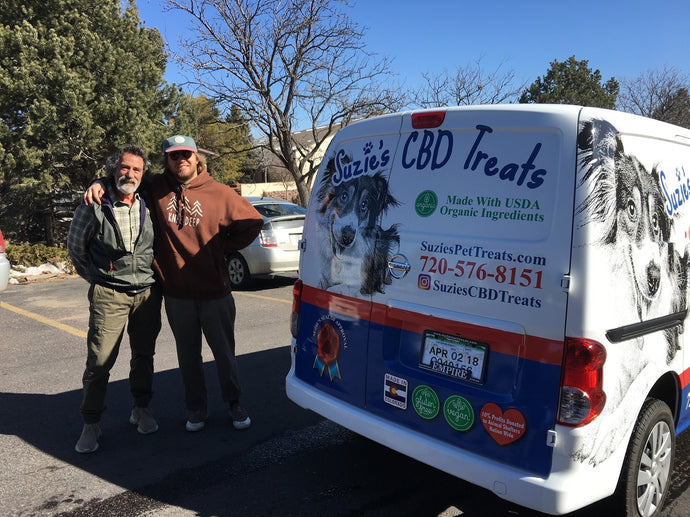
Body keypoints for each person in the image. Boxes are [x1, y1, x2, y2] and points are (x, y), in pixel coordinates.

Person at [86, 135, 263, 432]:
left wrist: (223, 248)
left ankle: (234, 404)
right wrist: (99, 182)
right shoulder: (155, 187)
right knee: (188, 357)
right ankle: (196, 409)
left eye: (186, 154)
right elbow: (125, 176)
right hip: (177, 294)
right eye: (173, 155)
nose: (180, 160)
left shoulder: (219, 193)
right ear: (166, 160)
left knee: (224, 355)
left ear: (196, 157)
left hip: (215, 292)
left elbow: (253, 222)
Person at [68, 145, 162, 453]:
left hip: (146, 294)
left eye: (136, 169)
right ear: (114, 169)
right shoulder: (94, 203)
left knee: (143, 355)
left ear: (143, 174)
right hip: (109, 294)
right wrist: (98, 279)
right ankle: (91, 424)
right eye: (124, 167)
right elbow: (76, 249)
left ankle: (141, 409)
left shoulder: (148, 202)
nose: (130, 174)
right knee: (99, 362)